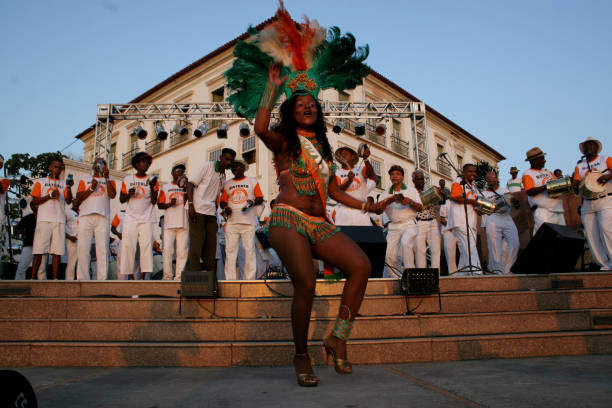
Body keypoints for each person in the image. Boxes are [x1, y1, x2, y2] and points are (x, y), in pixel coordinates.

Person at [225, 4, 392, 386]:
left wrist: (368, 204)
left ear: (317, 112)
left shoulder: (325, 151)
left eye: (312, 105)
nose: (307, 107)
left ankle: (338, 337)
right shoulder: (283, 142)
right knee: (307, 283)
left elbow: (334, 191)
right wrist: (271, 87)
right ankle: (301, 356)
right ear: (292, 110)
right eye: (300, 104)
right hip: (287, 219)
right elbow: (260, 126)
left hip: (320, 222)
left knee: (362, 267)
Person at [186, 148, 236, 271]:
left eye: (231, 161)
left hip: (211, 213)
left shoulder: (223, 177)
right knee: (197, 243)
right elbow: (190, 184)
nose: (229, 163)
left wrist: (222, 209)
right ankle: (193, 273)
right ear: (220, 158)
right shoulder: (207, 166)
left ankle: (208, 274)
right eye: (227, 159)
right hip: (197, 209)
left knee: (211, 245)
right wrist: (191, 205)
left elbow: (216, 196)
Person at [219, 160, 264, 280]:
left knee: (250, 251)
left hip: (248, 222)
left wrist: (252, 202)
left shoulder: (252, 181)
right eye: (233, 167)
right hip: (232, 222)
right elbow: (222, 201)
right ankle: (230, 280)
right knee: (230, 252)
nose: (234, 168)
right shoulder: (227, 184)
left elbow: (260, 197)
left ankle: (249, 279)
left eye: (237, 166)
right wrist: (225, 207)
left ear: (244, 167)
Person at [572, 137, 612, 270]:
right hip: (587, 203)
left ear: (596, 147)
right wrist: (574, 183)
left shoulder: (605, 159)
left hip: (605, 199)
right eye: (585, 145)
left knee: (607, 230)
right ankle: (604, 264)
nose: (588, 147)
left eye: (591, 144)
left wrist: (608, 176)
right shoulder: (580, 166)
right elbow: (576, 183)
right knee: (591, 234)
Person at [30, 157, 73, 279]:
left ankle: (54, 279)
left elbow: (69, 201)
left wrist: (69, 188)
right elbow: (35, 201)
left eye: (60, 168)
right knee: (39, 250)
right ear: (50, 167)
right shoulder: (41, 181)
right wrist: (49, 195)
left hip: (59, 219)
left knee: (57, 251)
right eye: (55, 166)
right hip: (44, 219)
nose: (57, 169)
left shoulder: (64, 183)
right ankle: (32, 278)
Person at [75, 158, 116, 280]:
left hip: (102, 217)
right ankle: (82, 278)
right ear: (93, 166)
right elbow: (78, 197)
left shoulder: (110, 180)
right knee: (83, 248)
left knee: (102, 249)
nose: (99, 165)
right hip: (85, 217)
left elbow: (112, 195)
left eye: (102, 164)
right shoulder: (85, 179)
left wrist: (106, 178)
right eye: (97, 163)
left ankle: (102, 278)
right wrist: (91, 188)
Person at [119, 152, 158, 280]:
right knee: (128, 246)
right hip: (130, 218)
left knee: (146, 246)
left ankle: (143, 276)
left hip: (146, 218)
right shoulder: (128, 179)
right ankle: (130, 275)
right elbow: (121, 199)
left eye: (148, 162)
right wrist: (129, 194)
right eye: (143, 161)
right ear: (136, 164)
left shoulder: (152, 180)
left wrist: (152, 188)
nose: (146, 164)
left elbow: (154, 201)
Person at [378, 165, 422, 277]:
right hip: (393, 226)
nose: (395, 176)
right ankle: (395, 280)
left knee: (405, 244)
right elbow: (378, 210)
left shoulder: (411, 190)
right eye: (392, 174)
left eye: (398, 174)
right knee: (388, 255)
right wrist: (390, 200)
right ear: (390, 177)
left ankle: (411, 277)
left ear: (402, 177)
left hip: (409, 223)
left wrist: (409, 202)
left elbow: (420, 208)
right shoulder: (385, 193)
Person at [482, 172, 519, 274]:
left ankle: (508, 269)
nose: (490, 180)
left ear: (497, 179)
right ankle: (497, 270)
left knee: (514, 243)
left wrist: (514, 201)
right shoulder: (484, 194)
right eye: (488, 178)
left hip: (506, 217)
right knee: (494, 246)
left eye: (492, 178)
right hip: (493, 218)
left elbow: (513, 201)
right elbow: (481, 210)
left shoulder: (504, 190)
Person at [448, 163, 482, 275]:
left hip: (471, 220)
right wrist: (472, 201)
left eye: (474, 171)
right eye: (470, 171)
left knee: (466, 248)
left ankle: (461, 274)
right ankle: (477, 272)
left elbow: (477, 203)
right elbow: (454, 196)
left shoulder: (474, 187)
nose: (473, 174)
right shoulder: (458, 181)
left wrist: (481, 208)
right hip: (460, 220)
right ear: (463, 172)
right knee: (469, 246)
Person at [158, 164, 190, 280]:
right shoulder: (165, 187)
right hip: (169, 224)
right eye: (178, 171)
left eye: (182, 171)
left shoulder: (188, 186)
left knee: (182, 251)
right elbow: (159, 205)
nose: (180, 173)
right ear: (172, 173)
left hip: (184, 222)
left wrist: (186, 189)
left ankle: (179, 277)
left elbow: (190, 202)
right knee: (167, 250)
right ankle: (167, 276)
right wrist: (169, 204)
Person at [522, 147, 564, 233]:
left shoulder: (548, 172)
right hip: (543, 211)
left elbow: (557, 185)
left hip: (558, 208)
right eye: (541, 158)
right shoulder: (527, 173)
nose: (544, 160)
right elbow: (529, 191)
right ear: (534, 161)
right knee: (545, 239)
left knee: (561, 239)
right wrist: (546, 186)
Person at [333, 145, 376, 226]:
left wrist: (366, 159)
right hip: (343, 212)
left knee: (365, 238)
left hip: (361, 211)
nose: (343, 156)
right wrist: (349, 181)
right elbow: (337, 191)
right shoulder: (336, 173)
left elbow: (371, 175)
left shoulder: (360, 169)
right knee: (344, 238)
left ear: (353, 156)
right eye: (341, 154)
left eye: (345, 154)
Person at [412, 170, 441, 270]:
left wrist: (439, 193)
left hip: (432, 221)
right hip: (419, 222)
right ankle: (421, 276)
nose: (421, 181)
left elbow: (439, 202)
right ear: (413, 180)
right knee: (420, 251)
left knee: (436, 249)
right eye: (418, 179)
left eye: (422, 179)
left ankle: (436, 275)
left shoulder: (428, 192)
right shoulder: (411, 193)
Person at [439, 199, 457, 274]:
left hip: (459, 230)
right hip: (449, 231)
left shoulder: (460, 204)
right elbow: (442, 219)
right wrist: (451, 226)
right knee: (450, 254)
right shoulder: (445, 202)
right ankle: (453, 273)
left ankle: (464, 271)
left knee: (465, 252)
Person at [64, 204, 79, 280]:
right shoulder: (68, 212)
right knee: (71, 263)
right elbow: (62, 226)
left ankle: (81, 281)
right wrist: (69, 237)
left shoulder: (83, 212)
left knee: (81, 264)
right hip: (71, 240)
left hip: (82, 241)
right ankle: (69, 281)